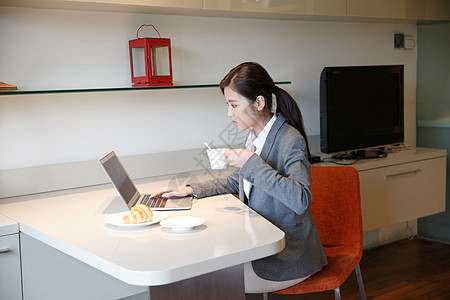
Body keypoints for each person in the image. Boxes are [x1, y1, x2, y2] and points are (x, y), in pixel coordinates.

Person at [152, 62, 327, 294]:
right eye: (228, 104)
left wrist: (252, 163)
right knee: (193, 269)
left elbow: (300, 200)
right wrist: (191, 189)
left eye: (234, 105)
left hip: (287, 257)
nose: (229, 113)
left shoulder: (289, 139)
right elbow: (239, 180)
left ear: (259, 102)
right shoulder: (255, 135)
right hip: (260, 244)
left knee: (199, 279)